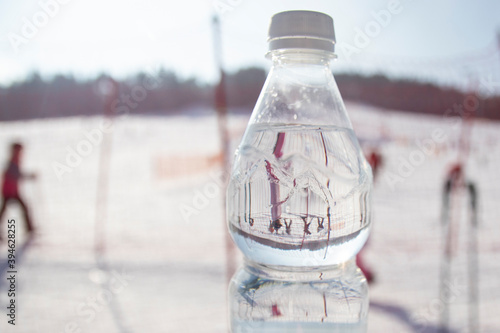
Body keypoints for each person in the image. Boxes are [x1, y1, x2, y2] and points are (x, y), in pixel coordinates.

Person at [0, 142, 37, 238]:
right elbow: (15, 175)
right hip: (8, 191)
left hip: (13, 190)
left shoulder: (15, 160)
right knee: (5, 211)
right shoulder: (12, 161)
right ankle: (30, 229)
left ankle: (30, 228)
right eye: (19, 150)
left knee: (20, 208)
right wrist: (30, 176)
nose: (21, 152)